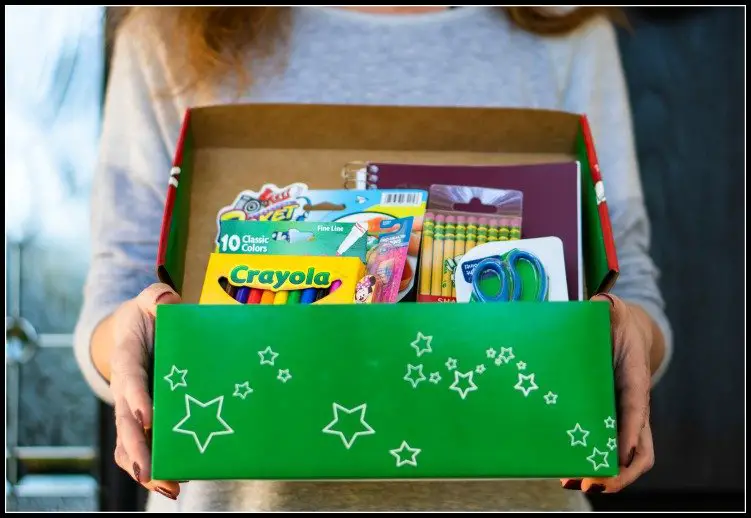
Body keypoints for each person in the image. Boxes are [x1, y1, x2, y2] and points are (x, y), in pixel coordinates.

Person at [74, 6, 672, 512]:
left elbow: (631, 286)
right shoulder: (172, 30)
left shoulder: (561, 27)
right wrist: (133, 335)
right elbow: (117, 295)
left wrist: (628, 336)